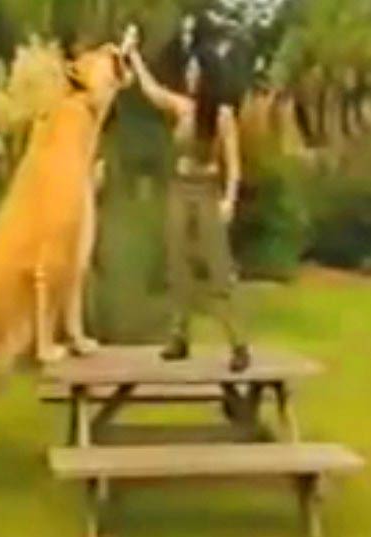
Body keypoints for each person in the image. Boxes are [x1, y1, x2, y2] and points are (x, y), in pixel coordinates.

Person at [126, 20, 252, 371]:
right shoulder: (183, 108)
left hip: (207, 191)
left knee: (218, 268)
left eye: (196, 70)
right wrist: (133, 54)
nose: (190, 75)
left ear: (208, 75)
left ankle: (238, 343)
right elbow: (151, 91)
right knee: (177, 264)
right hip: (180, 190)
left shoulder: (222, 116)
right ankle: (178, 337)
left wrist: (229, 198)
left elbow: (234, 161)